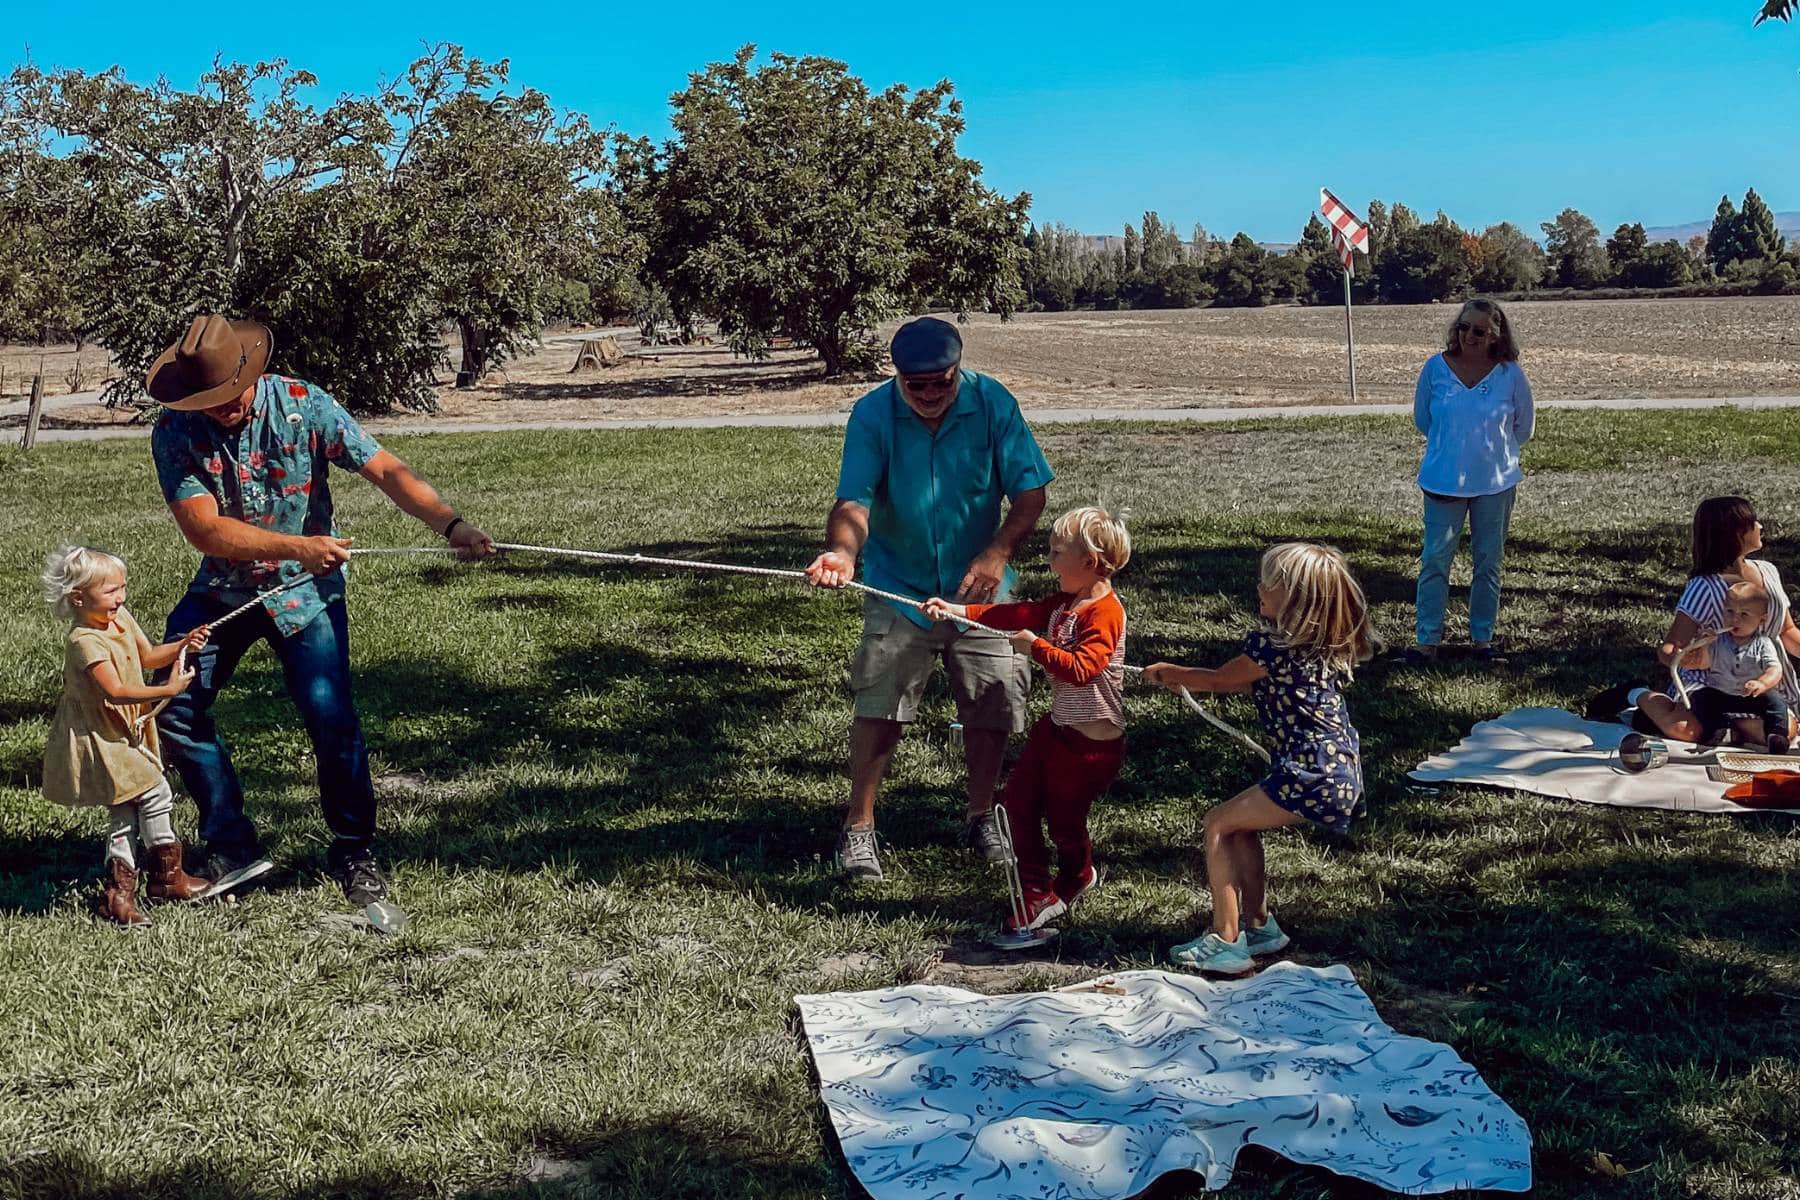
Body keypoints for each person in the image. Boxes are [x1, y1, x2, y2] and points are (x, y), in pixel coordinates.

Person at [146, 314, 496, 910]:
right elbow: (203, 530)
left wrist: (450, 524)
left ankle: (355, 851)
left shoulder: (304, 404)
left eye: (228, 396)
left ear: (247, 373)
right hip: (224, 591)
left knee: (330, 718)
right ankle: (232, 844)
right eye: (208, 401)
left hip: (308, 598)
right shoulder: (175, 430)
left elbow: (383, 467)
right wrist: (298, 548)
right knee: (171, 705)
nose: (221, 408)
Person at [804, 316, 1054, 881]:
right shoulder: (872, 414)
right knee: (880, 708)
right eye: (916, 385)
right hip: (899, 591)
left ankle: (981, 815)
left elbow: (1030, 491)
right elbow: (853, 503)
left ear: (957, 369)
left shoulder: (993, 403)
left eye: (942, 381)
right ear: (898, 377)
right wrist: (843, 554)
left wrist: (997, 555)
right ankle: (859, 829)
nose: (930, 394)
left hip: (984, 594)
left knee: (994, 706)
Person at [1142, 543, 1376, 977]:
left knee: (1217, 823)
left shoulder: (1272, 649)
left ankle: (1227, 941)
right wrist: (1193, 684)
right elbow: (1256, 687)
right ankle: (1260, 925)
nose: (1259, 587)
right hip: (1335, 772)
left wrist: (1171, 673)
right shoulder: (1308, 649)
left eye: (1269, 582)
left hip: (1310, 771)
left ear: (1293, 597)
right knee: (1240, 826)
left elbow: (1222, 679)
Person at [923, 505, 1130, 934]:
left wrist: (1034, 648)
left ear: (1089, 563)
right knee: (1016, 802)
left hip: (1090, 749)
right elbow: (1016, 616)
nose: (1049, 562)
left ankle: (1075, 877)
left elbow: (1083, 668)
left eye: (1057, 553)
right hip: (1055, 731)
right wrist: (958, 611)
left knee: (1064, 823)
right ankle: (1036, 891)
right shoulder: (1064, 602)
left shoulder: (1104, 613)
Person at [41, 546, 213, 927]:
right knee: (154, 791)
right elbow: (115, 692)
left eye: (123, 588)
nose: (121, 597)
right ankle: (161, 880)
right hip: (103, 735)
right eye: (111, 591)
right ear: (78, 598)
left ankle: (124, 895)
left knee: (126, 809)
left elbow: (149, 655)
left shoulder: (119, 620)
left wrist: (182, 645)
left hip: (124, 729)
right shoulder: (85, 641)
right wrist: (168, 691)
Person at [1405, 298, 1534, 665]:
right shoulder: (1435, 368)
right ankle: (1426, 641)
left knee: (1488, 563)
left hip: (1495, 484)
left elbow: (1523, 428)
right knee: (1434, 561)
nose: (1469, 336)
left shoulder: (1510, 374)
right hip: (1442, 482)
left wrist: (1491, 454)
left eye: (1479, 330)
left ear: (1496, 335)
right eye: (1463, 327)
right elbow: (1423, 419)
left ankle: (1482, 640)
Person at [1632, 497, 1800, 747]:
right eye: (1753, 522)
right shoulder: (1705, 586)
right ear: (1735, 533)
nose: (1761, 526)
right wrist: (1691, 655)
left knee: (1786, 731)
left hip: (1764, 680)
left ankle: (1729, 729)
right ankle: (1638, 694)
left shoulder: (1768, 571)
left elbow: (1787, 631)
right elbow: (1669, 647)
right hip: (1712, 683)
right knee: (1687, 732)